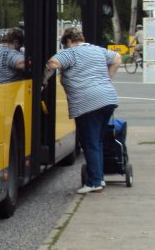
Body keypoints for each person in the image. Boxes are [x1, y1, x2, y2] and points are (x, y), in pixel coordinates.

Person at [46, 27, 120, 194]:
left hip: (88, 103)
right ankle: (99, 178)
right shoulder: (98, 50)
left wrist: (45, 78)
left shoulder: (70, 53)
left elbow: (53, 63)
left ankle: (94, 182)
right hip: (108, 99)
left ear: (68, 42)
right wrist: (108, 77)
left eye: (65, 44)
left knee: (90, 143)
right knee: (98, 141)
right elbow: (117, 58)